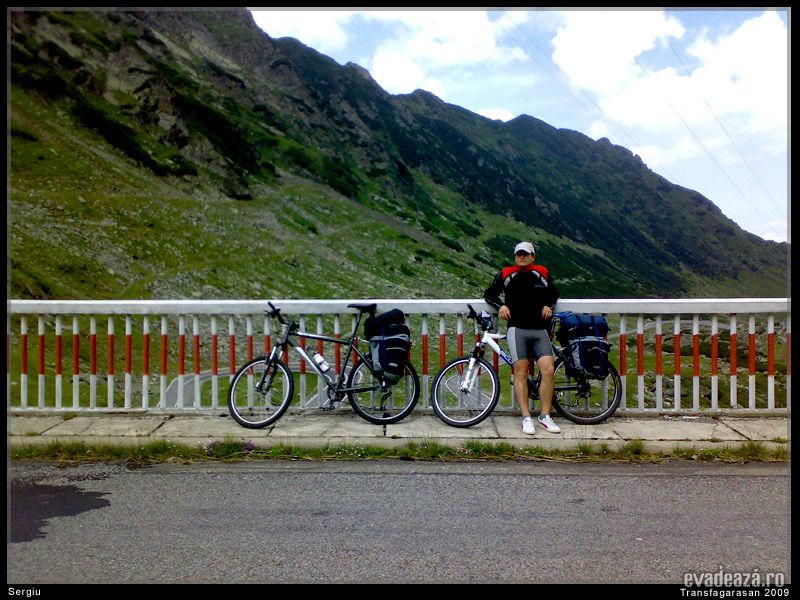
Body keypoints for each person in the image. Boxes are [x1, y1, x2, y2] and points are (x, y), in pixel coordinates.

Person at [484, 241, 561, 435]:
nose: (522, 257)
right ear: (515, 256)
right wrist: (500, 306)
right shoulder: (506, 273)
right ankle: (526, 418)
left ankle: (545, 416)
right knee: (521, 372)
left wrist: (548, 306)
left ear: (532, 256)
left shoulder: (542, 272)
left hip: (539, 329)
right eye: (519, 254)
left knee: (548, 370)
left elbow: (554, 294)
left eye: (526, 254)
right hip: (516, 328)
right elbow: (489, 294)